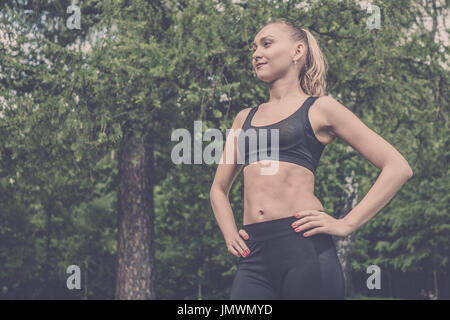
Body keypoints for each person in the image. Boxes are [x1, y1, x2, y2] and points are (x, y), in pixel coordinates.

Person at [209, 18, 413, 300]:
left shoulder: (321, 108)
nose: (256, 53)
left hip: (304, 250)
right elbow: (218, 189)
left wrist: (347, 223)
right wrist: (230, 232)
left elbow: (397, 166)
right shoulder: (244, 118)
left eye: (266, 44)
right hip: (253, 256)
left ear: (297, 51)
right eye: (254, 47)